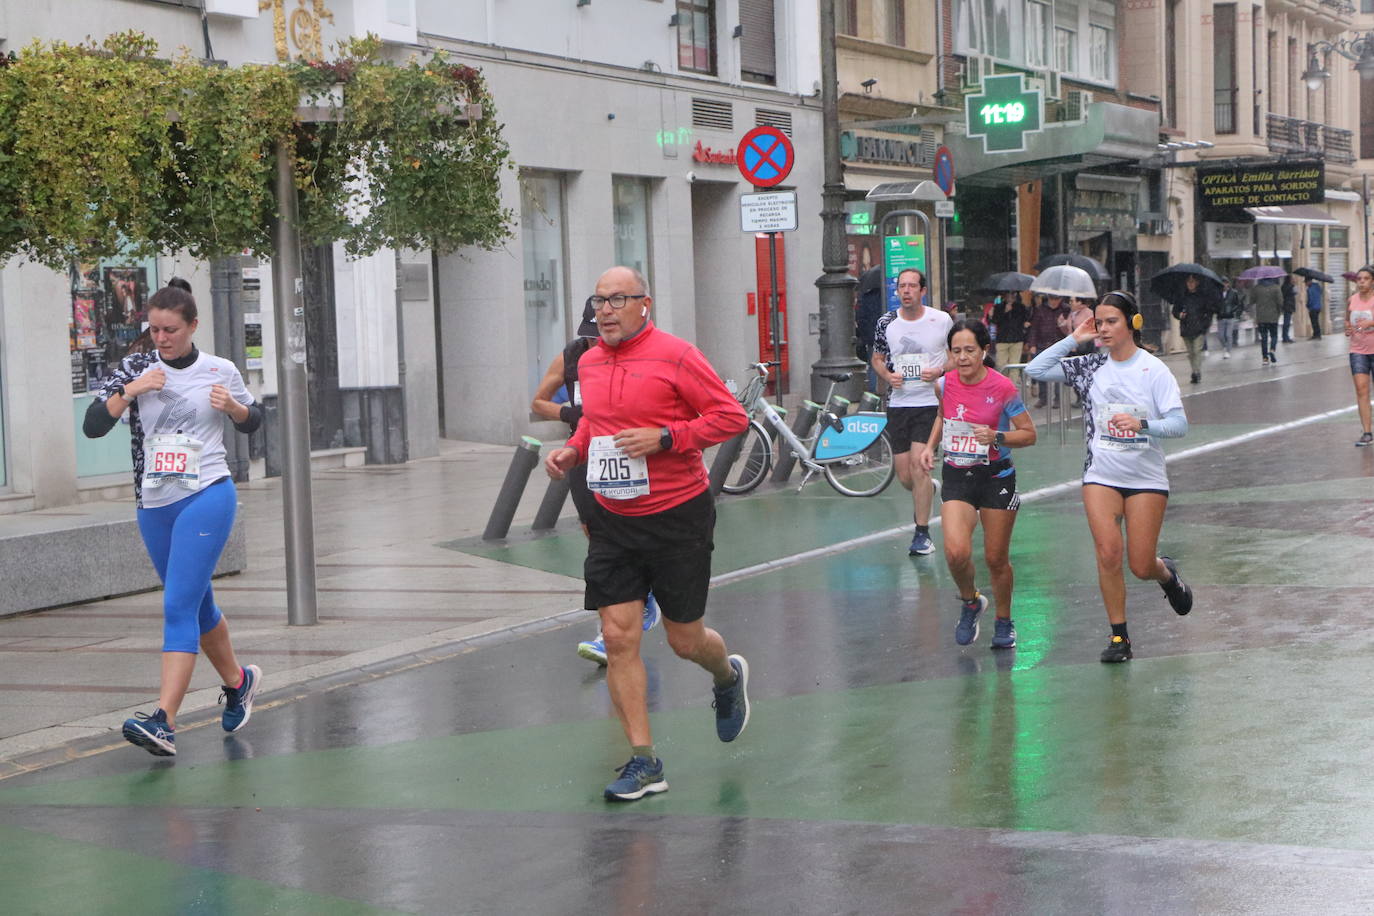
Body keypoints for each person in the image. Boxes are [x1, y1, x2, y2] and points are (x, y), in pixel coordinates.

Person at [544, 266, 750, 802]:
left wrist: (666, 436)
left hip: (677, 514)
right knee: (617, 638)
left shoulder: (677, 355)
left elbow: (731, 418)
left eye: (617, 300)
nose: (605, 310)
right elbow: (596, 423)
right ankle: (644, 761)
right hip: (613, 517)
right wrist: (575, 447)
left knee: (685, 640)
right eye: (599, 301)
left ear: (644, 304)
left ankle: (726, 677)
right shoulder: (587, 361)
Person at [82, 283, 263, 756]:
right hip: (155, 501)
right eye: (154, 329)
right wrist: (131, 390)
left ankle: (163, 721)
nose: (161, 338)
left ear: (192, 327)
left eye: (171, 330)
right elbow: (93, 425)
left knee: (177, 606)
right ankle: (239, 682)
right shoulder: (136, 368)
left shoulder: (218, 369)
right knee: (197, 604)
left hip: (207, 492)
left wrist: (235, 408)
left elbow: (254, 419)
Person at [1026, 291, 1194, 663]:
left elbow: (1179, 425)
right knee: (1107, 554)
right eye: (1099, 322)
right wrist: (1075, 338)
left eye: (1111, 321)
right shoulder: (1089, 366)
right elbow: (1034, 370)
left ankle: (1166, 574)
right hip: (1101, 473)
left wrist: (1142, 425)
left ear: (1133, 323)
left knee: (1140, 564)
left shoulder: (1153, 369)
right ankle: (1120, 637)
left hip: (1145, 479)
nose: (1103, 329)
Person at [531, 300, 661, 665]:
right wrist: (571, 413)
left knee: (628, 535)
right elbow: (538, 401)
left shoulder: (638, 354)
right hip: (585, 452)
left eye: (598, 336)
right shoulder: (572, 357)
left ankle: (631, 609)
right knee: (595, 533)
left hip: (630, 449)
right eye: (588, 336)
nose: (594, 343)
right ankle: (619, 622)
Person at [920, 320, 1037, 649]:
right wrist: (930, 447)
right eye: (956, 351)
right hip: (958, 473)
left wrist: (996, 436)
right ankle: (971, 602)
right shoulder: (944, 384)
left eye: (970, 350)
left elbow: (1029, 434)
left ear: (985, 351)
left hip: (996, 476)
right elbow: (944, 417)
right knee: (956, 552)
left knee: (996, 558)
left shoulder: (1003, 389)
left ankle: (1003, 619)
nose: (963, 357)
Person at [871, 268, 952, 556]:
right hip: (899, 404)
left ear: (923, 290)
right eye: (901, 286)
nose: (906, 291)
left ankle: (922, 534)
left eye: (911, 286)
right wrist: (887, 376)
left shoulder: (940, 320)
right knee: (905, 475)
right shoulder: (887, 322)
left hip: (930, 404)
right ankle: (927, 487)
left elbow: (957, 356)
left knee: (919, 465)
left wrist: (940, 370)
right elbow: (877, 358)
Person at [1170, 273, 1220, 384]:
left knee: (1197, 351)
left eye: (1192, 281)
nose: (1190, 284)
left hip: (1199, 329)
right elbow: (1175, 311)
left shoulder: (1202, 297)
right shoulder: (1182, 297)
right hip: (1186, 328)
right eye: (1188, 282)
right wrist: (1180, 315)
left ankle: (1196, 372)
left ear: (1197, 283)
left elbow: (1209, 311)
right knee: (1191, 353)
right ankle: (1195, 370)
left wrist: (1205, 324)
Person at [1345, 266, 1374, 446]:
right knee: (1361, 390)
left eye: (1366, 278)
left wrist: (1371, 322)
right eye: (1359, 278)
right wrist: (1348, 328)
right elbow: (1348, 321)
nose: (1361, 281)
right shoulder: (1351, 300)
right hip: (1358, 350)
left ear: (1373, 281)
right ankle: (1367, 432)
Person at [1025, 294, 1067, 408]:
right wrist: (1032, 344)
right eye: (1052, 299)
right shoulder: (1040, 310)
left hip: (1059, 344)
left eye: (1057, 299)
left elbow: (1069, 328)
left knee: (1058, 372)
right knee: (1041, 372)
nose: (1054, 301)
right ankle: (1043, 398)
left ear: (1061, 299)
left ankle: (1057, 398)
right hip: (1042, 344)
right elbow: (1034, 329)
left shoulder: (1065, 309)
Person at [854, 265, 884, 393]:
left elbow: (860, 317)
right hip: (887, 334)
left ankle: (874, 395)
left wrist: (867, 337)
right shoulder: (886, 295)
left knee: (874, 365)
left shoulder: (865, 297)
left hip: (873, 337)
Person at [990, 292, 1030, 373]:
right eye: (1009, 294)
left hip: (1017, 339)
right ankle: (1002, 385)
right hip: (1002, 339)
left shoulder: (1021, 307)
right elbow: (995, 321)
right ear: (1005, 295)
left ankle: (1013, 385)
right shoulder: (998, 307)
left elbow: (1025, 319)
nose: (1011, 296)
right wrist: (1005, 311)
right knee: (1001, 365)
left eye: (1013, 294)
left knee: (1014, 366)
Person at [1250, 277, 1283, 364]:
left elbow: (1252, 301)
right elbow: (1280, 302)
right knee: (1274, 336)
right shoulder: (1276, 288)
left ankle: (1265, 358)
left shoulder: (1257, 288)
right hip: (1273, 317)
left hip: (1261, 318)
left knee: (1264, 338)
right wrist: (1279, 312)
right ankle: (1272, 350)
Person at [1215, 278, 1243, 358]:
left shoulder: (1233, 293)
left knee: (1228, 335)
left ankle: (1228, 351)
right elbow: (1215, 303)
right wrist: (1217, 310)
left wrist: (1232, 310)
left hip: (1230, 317)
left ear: (1228, 284)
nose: (1224, 285)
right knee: (1220, 336)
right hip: (1220, 317)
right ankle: (1225, 346)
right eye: (1222, 283)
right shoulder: (1217, 293)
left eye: (1225, 283)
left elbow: (1237, 304)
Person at [1305, 276, 1324, 340]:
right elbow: (1321, 292)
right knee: (1316, 321)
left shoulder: (1309, 289)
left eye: (1306, 282)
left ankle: (1317, 335)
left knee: (1314, 322)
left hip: (1313, 307)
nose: (1305, 284)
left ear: (1309, 281)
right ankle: (1317, 334)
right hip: (1318, 307)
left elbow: (1310, 299)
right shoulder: (1317, 286)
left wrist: (1307, 305)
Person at [1280, 275, 1297, 343]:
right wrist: (1294, 285)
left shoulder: (1283, 286)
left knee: (1286, 322)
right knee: (1287, 322)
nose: (1293, 280)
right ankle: (1285, 337)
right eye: (1292, 279)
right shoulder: (1291, 287)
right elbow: (1295, 292)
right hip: (1289, 306)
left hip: (1286, 305)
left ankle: (1285, 336)